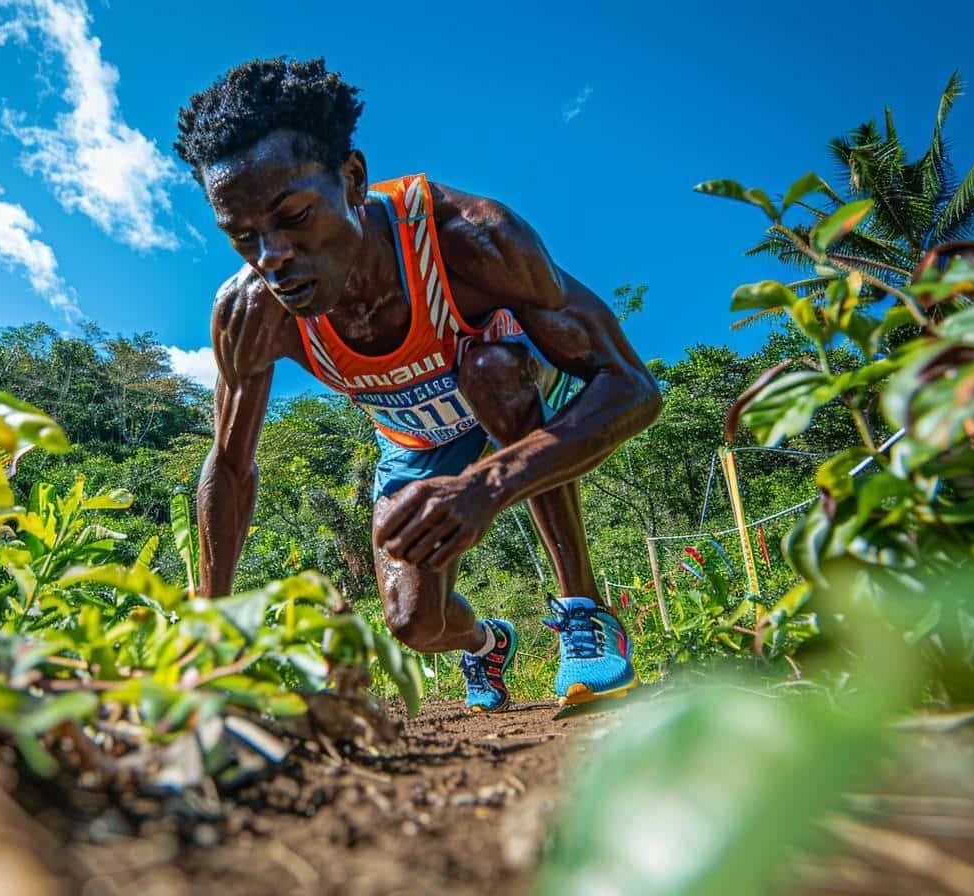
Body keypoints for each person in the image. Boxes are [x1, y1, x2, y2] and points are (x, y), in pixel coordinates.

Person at [176, 58, 661, 711]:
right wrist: (209, 627)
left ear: (351, 181)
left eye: (293, 217)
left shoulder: (473, 239)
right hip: (415, 440)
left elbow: (631, 387)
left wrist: (487, 484)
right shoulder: (250, 313)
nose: (272, 259)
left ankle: (586, 615)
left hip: (501, 385)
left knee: (491, 372)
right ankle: (486, 646)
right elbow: (230, 467)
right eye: (243, 238)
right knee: (412, 621)